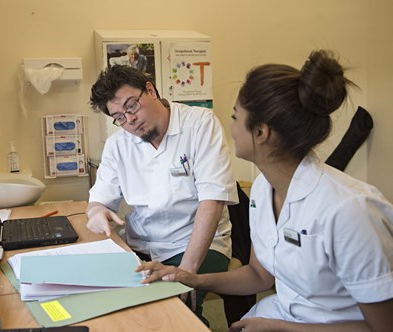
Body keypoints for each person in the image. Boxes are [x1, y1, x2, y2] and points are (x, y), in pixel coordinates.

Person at [137, 50, 393, 331]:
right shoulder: (263, 189)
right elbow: (260, 276)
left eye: (235, 117)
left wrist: (282, 327)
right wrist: (192, 278)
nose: (231, 128)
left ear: (261, 132)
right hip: (278, 316)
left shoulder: (350, 211)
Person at [87, 64, 238, 324]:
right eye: (119, 117)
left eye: (132, 106)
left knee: (171, 310)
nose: (129, 120)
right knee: (106, 304)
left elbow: (211, 201)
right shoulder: (117, 144)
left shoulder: (199, 124)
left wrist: (186, 271)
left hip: (196, 246)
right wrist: (97, 212)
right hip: (141, 247)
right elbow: (98, 201)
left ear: (150, 90)